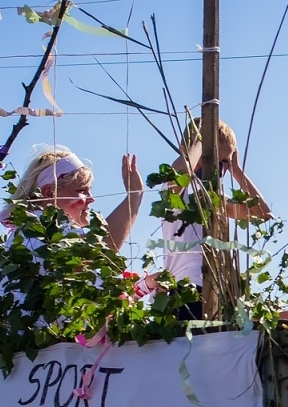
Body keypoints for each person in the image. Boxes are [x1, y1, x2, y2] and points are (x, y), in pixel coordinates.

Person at [160, 120, 271, 318]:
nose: (216, 169)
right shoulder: (176, 193)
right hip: (186, 288)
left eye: (223, 163)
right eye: (209, 159)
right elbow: (179, 174)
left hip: (217, 290)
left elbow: (262, 213)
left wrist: (236, 169)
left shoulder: (215, 200)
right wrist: (199, 143)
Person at [14, 146, 144, 252]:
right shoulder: (40, 229)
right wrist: (134, 196)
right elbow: (95, 253)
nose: (91, 199)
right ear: (49, 193)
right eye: (82, 191)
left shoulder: (25, 229)